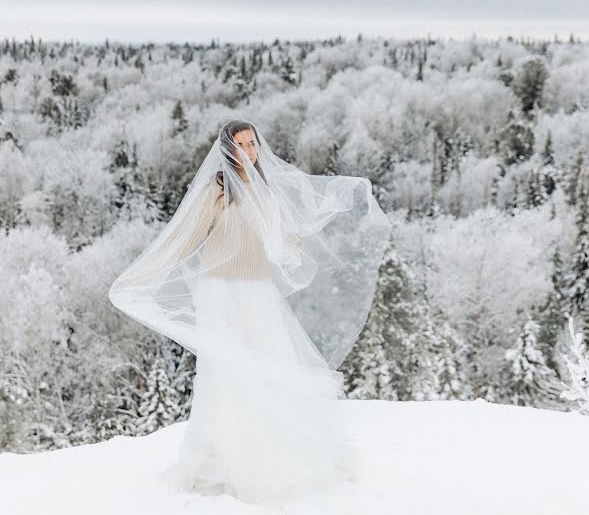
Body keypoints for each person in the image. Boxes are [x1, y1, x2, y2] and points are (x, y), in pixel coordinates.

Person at [108, 119, 391, 505]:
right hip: (220, 294)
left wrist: (301, 239)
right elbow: (183, 239)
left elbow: (283, 236)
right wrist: (144, 275)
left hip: (258, 292)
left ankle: (278, 457)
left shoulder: (266, 190)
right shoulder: (217, 191)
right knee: (226, 374)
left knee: (269, 368)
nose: (249, 151)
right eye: (241, 145)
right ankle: (223, 463)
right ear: (227, 150)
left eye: (253, 143)